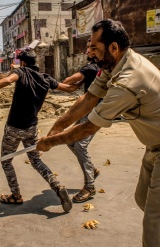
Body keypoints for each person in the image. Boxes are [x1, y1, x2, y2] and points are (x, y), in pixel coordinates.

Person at [37, 19, 160, 247]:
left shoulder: (128, 80)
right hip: (157, 146)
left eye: (94, 48)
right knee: (144, 199)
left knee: (155, 226)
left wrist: (51, 142)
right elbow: (89, 98)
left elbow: (89, 126)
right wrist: (57, 127)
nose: (89, 52)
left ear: (113, 47)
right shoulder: (115, 64)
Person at [0, 48, 79, 212]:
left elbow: (7, 81)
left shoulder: (21, 72)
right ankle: (56, 186)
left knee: (6, 161)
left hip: (14, 128)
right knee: (36, 161)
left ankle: (16, 195)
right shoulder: (46, 78)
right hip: (31, 128)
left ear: (24, 62)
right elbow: (70, 88)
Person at [60, 38, 101, 203]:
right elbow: (74, 87)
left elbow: (70, 81)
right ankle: (91, 169)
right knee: (71, 141)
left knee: (80, 145)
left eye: (91, 48)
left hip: (95, 113)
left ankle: (90, 186)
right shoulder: (98, 68)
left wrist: (59, 82)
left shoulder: (91, 68)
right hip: (90, 111)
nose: (87, 51)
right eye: (87, 48)